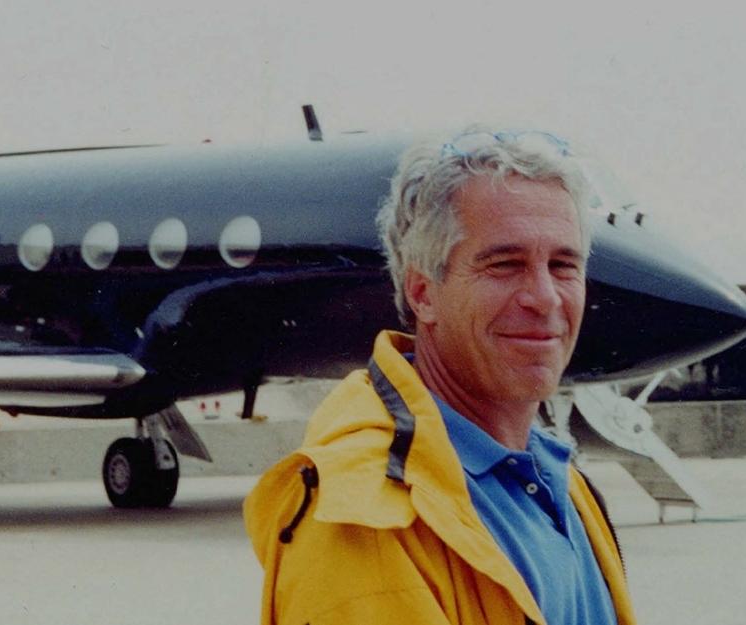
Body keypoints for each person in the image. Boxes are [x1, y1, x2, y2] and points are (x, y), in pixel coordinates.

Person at [243, 128, 636, 625]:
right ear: (422, 293)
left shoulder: (563, 485)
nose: (545, 298)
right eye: (504, 264)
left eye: (563, 265)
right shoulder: (360, 514)